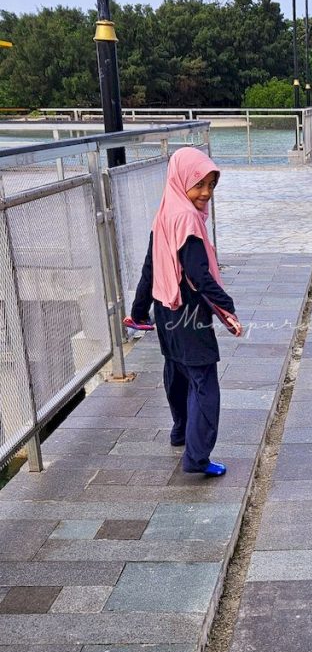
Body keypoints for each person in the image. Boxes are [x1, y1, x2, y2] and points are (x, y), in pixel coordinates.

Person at [126, 147, 242, 476]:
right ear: (182, 181)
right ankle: (198, 457)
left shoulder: (166, 211)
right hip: (188, 313)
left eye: (211, 185)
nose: (206, 193)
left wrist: (138, 310)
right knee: (204, 382)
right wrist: (227, 307)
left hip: (165, 310)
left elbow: (150, 267)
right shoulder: (188, 219)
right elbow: (199, 275)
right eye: (199, 185)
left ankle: (180, 431)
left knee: (176, 371)